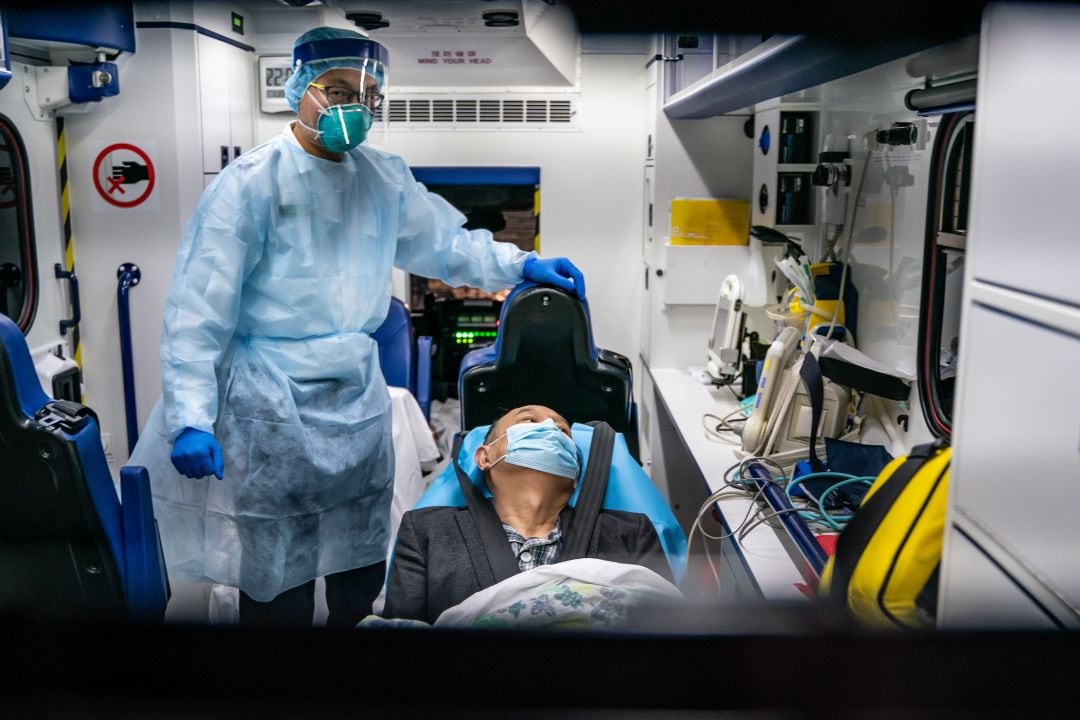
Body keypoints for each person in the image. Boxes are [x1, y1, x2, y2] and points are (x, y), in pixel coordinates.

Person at [128, 27, 585, 628]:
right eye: (338, 90)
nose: (354, 109)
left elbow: (444, 244)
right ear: (298, 88)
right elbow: (197, 309)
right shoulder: (250, 183)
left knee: (361, 563)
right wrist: (191, 413)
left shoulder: (383, 178)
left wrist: (520, 262)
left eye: (367, 96)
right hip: (271, 402)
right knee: (277, 576)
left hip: (355, 399)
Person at [383, 405, 671, 624]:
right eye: (528, 421)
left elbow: (665, 627)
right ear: (485, 457)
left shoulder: (630, 533)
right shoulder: (426, 531)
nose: (548, 429)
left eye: (562, 432)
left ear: (574, 472)